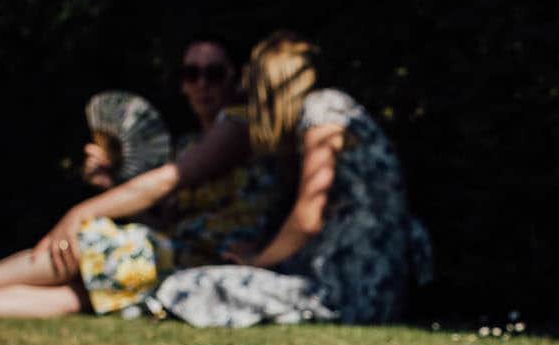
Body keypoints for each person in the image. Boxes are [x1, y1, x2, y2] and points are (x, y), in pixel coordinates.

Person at [0, 37, 281, 319]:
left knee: (86, 242)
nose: (203, 84)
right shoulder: (190, 140)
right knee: (80, 295)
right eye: (193, 74)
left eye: (215, 73)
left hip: (209, 259)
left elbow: (162, 183)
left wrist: (81, 212)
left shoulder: (238, 125)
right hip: (181, 255)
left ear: (237, 78)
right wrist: (109, 188)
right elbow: (162, 223)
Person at [146, 32, 432, 328]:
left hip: (351, 290)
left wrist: (257, 261)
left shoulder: (323, 110)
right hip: (363, 280)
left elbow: (309, 215)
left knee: (189, 285)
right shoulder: (321, 114)